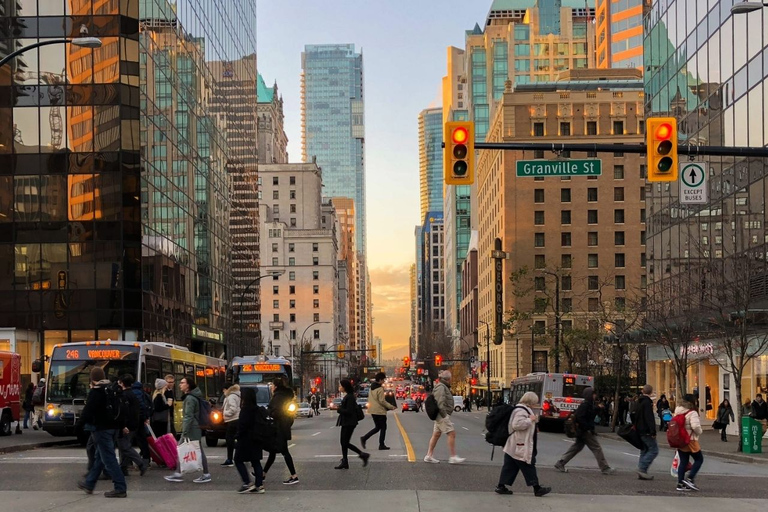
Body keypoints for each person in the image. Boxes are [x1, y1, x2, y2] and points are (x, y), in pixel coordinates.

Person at [77, 367, 127, 498]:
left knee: (109, 458)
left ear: (92, 379)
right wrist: (121, 426)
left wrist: (79, 425)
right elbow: (121, 409)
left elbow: (88, 411)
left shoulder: (96, 391)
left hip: (100, 428)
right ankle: (89, 483)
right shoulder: (112, 389)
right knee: (100, 457)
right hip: (114, 427)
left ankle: (120, 487)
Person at [495, 392, 551, 497]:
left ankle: (501, 486)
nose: (536, 403)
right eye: (535, 401)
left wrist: (533, 424)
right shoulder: (521, 410)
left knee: (510, 466)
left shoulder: (520, 409)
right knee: (528, 464)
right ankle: (537, 488)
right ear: (530, 401)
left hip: (514, 444)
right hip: (520, 444)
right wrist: (531, 419)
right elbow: (517, 425)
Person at [554, 387, 615, 475]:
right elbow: (580, 417)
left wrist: (597, 408)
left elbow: (589, 414)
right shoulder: (585, 405)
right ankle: (605, 468)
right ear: (589, 395)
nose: (595, 396)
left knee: (576, 447)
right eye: (593, 394)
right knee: (596, 448)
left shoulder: (587, 404)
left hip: (582, 431)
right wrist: (588, 428)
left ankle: (561, 462)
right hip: (585, 431)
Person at [164, 376, 211, 483]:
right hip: (194, 427)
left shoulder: (190, 398)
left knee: (183, 448)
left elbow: (188, 416)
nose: (180, 384)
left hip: (191, 428)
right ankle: (180, 472)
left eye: (182, 383)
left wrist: (184, 431)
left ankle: (181, 473)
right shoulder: (193, 396)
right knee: (196, 449)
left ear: (188, 385)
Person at [263, 377, 299, 484]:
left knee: (284, 451)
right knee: (273, 452)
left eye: (272, 386)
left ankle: (294, 475)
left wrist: (269, 412)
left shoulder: (278, 397)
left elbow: (276, 412)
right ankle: (263, 473)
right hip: (283, 426)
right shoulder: (285, 396)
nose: (271, 387)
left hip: (279, 427)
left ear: (275, 386)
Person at [424, 371, 465, 464]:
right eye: (451, 378)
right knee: (452, 433)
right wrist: (444, 415)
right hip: (441, 415)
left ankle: (429, 455)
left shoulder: (442, 386)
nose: (451, 380)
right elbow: (440, 401)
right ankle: (453, 456)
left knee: (436, 435)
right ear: (448, 379)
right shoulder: (441, 387)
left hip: (440, 415)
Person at [233, 387, 265, 494]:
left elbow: (242, 426)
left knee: (237, 460)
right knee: (256, 462)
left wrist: (236, 436)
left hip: (245, 439)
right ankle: (259, 485)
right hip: (257, 439)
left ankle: (247, 482)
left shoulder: (245, 410)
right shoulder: (257, 409)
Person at [116, 375, 148, 476]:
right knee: (125, 446)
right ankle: (123, 467)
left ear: (122, 383)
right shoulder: (133, 394)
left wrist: (123, 425)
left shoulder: (124, 395)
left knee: (124, 446)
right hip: (135, 423)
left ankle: (140, 463)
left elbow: (124, 411)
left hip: (127, 425)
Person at [335, 379, 370, 469]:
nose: (339, 387)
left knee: (345, 442)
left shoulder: (350, 397)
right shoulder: (348, 396)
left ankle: (362, 454)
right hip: (347, 422)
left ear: (344, 387)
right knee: (343, 442)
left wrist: (339, 409)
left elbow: (349, 411)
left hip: (349, 422)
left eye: (340, 385)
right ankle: (345, 461)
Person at [675, 394, 703, 492]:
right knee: (699, 459)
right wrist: (700, 431)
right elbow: (695, 426)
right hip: (691, 439)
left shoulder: (678, 410)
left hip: (681, 439)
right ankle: (690, 479)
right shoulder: (692, 412)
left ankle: (680, 483)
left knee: (683, 461)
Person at [361, 372, 396, 450]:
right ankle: (381, 444)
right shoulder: (380, 389)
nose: (383, 381)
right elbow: (382, 401)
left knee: (377, 427)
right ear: (380, 380)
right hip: (379, 411)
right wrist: (391, 406)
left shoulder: (371, 388)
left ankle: (365, 438)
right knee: (383, 428)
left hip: (373, 410)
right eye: (383, 380)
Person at [635, 384, 658, 480]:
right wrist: (653, 431)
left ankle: (642, 470)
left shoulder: (638, 401)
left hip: (639, 429)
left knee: (644, 450)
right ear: (651, 392)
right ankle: (642, 468)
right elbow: (649, 418)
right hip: (646, 430)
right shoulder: (647, 402)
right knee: (653, 450)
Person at [129, 379, 152, 465]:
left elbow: (140, 406)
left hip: (135, 419)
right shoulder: (142, 393)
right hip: (141, 419)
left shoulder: (134, 393)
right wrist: (145, 417)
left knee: (129, 442)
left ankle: (135, 461)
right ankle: (146, 458)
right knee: (142, 439)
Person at [220, 382, 241, 468]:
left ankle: (230, 459)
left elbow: (233, 409)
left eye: (224, 390)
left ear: (226, 389)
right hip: (235, 419)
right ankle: (233, 457)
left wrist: (225, 413)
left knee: (229, 440)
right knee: (233, 439)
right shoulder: (235, 395)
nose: (223, 392)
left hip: (233, 420)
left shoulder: (231, 396)